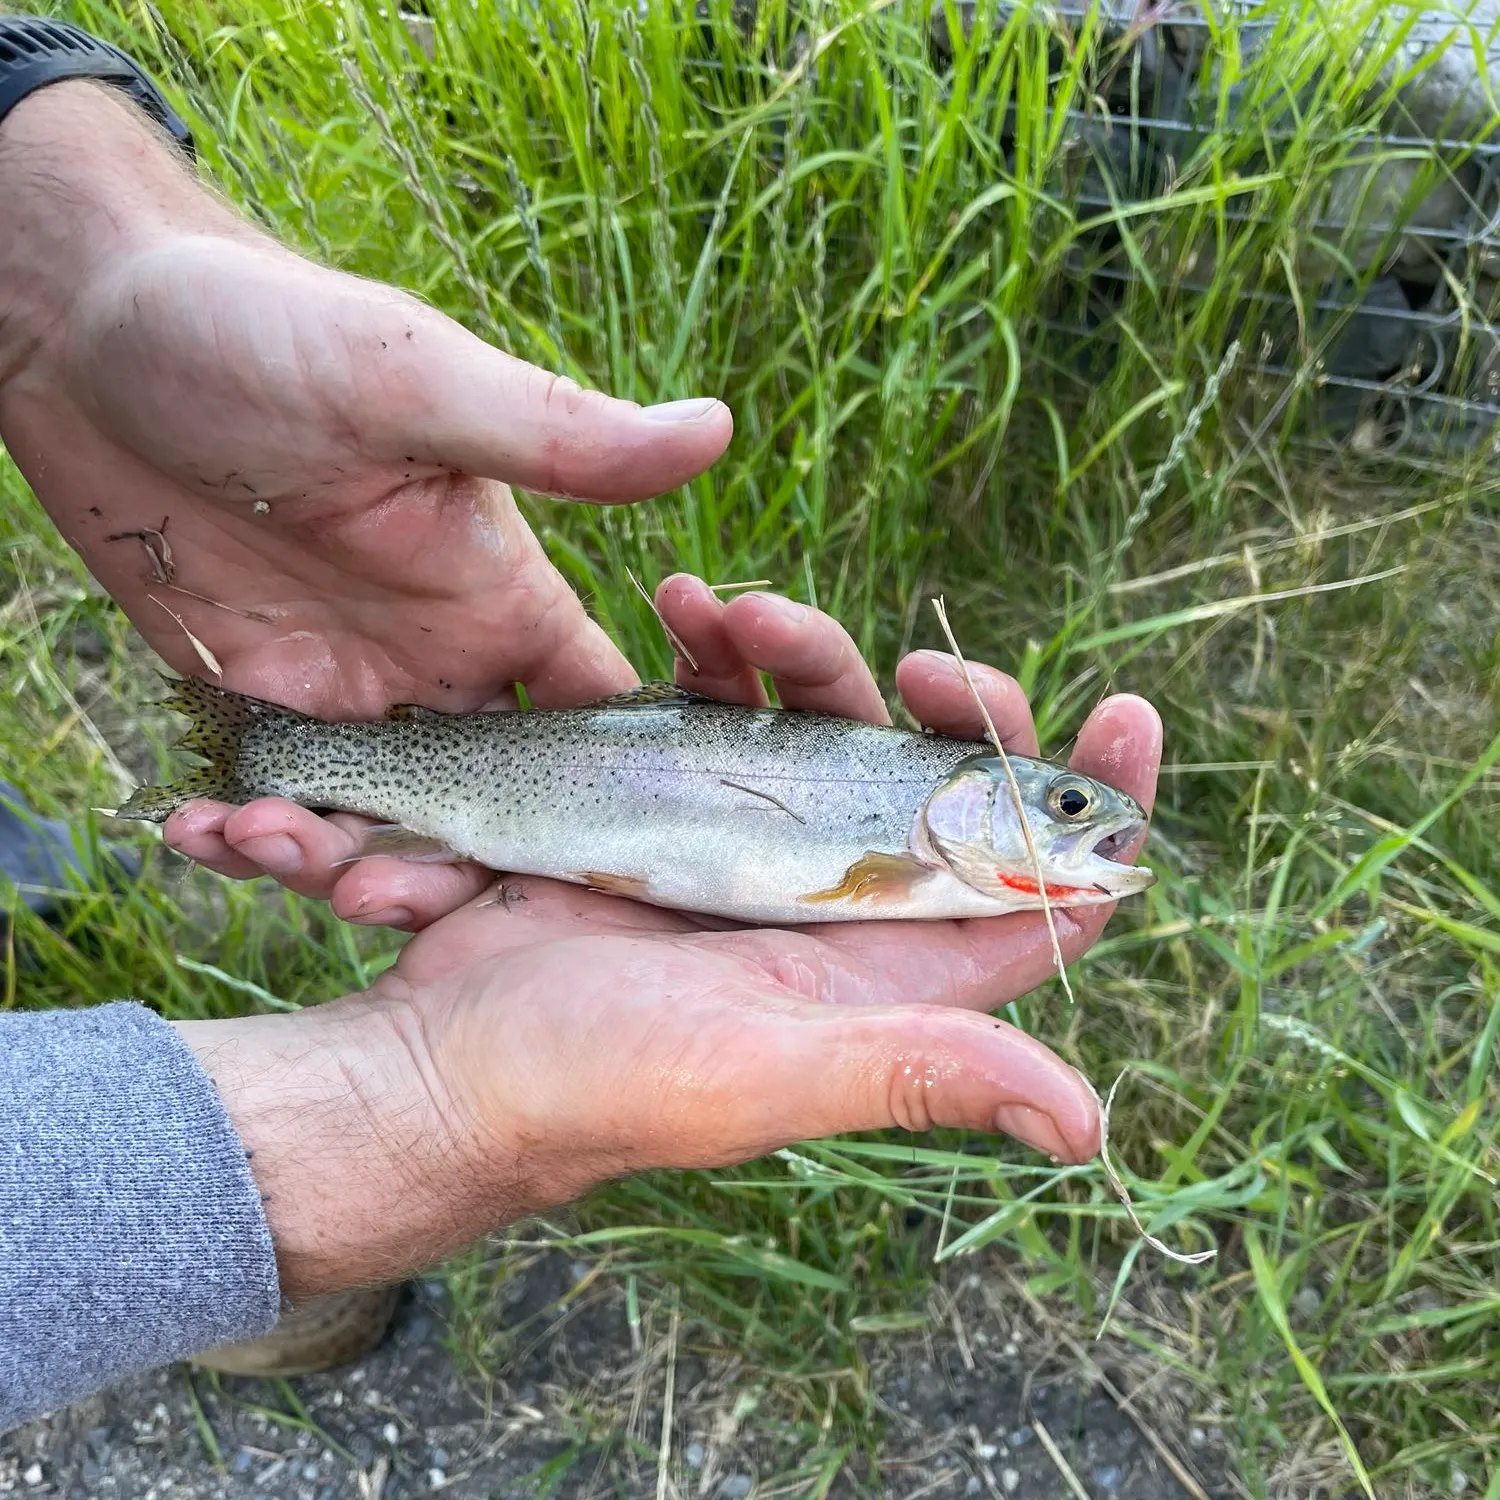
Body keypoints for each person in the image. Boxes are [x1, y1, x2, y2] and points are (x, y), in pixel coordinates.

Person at [0, 45, 1163, 1433]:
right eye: (1069, 816)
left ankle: (224, 789)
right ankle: (251, 761)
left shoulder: (928, 855)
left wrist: (59, 281)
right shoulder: (900, 865)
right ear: (979, 801)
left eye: (1080, 822)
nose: (1093, 832)